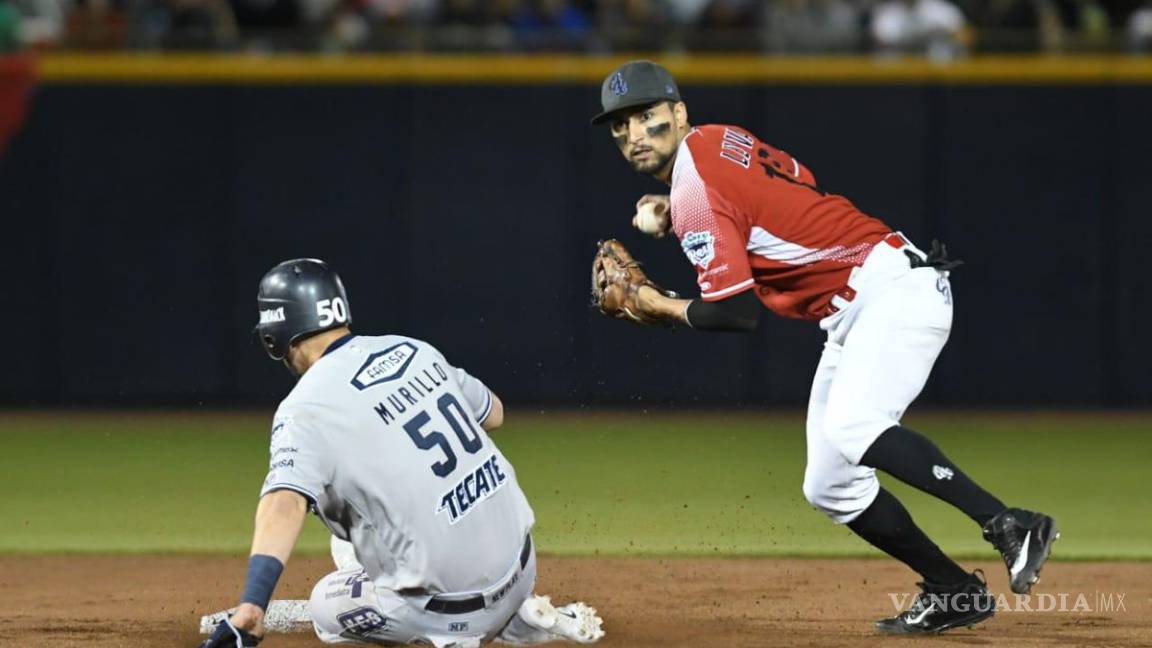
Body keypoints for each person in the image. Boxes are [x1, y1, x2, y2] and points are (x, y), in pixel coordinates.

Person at [588, 60, 1058, 635]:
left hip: (891, 294)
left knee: (857, 425)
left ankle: (1010, 524)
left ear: (678, 112)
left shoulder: (694, 193)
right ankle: (954, 589)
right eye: (620, 126)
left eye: (647, 117)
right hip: (864, 300)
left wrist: (652, 302)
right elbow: (794, 181)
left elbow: (737, 315)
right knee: (830, 485)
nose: (635, 134)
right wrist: (681, 210)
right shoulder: (715, 139)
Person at [200, 258, 604, 647]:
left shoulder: (304, 408)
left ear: (274, 338)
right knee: (354, 519)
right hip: (522, 569)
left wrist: (253, 606)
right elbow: (494, 412)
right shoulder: (412, 349)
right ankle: (517, 618)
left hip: (446, 609)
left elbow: (283, 504)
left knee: (326, 604)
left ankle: (453, 638)